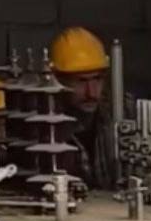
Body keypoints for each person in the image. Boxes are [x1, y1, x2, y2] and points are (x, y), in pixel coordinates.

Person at [49, 26, 116, 190]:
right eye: (81, 81)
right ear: (57, 81)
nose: (91, 92)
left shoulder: (120, 114)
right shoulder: (46, 128)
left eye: (97, 79)